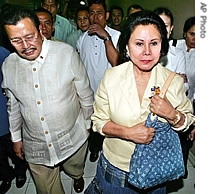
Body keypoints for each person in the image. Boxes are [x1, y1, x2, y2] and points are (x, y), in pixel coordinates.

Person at [84, 10, 195, 193]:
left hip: (156, 172)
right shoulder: (112, 77)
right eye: (138, 44)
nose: (147, 52)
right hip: (117, 172)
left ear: (162, 46)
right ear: (127, 46)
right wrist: (128, 133)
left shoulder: (173, 81)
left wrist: (172, 115)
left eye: (154, 43)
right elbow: (98, 122)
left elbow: (188, 121)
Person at [1, 5, 93, 194]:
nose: (25, 46)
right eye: (16, 41)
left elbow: (85, 93)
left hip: (72, 134)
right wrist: (16, 138)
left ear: (40, 30)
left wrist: (87, 123)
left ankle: (77, 176)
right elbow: (14, 106)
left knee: (74, 166)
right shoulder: (9, 65)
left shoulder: (66, 53)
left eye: (29, 37)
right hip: (36, 143)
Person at [77, 0, 121, 163]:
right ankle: (95, 149)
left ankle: (109, 151)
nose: (95, 17)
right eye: (92, 13)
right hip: (89, 93)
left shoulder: (117, 36)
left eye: (99, 13)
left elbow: (118, 63)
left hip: (111, 93)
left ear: (107, 16)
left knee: (111, 124)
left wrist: (106, 37)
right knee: (94, 124)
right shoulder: (82, 38)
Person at [169, 16, 195, 179]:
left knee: (186, 139)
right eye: (192, 34)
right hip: (170, 103)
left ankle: (182, 167)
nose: (195, 39)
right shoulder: (173, 47)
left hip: (190, 102)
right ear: (184, 33)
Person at [0, 46, 27, 194]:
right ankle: (6, 175)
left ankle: (21, 171)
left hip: (3, 112)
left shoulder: (2, 53)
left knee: (12, 146)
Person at [153, 7, 189, 92]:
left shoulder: (178, 54)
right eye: (158, 25)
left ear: (171, 28)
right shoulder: (144, 51)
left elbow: (185, 87)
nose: (161, 29)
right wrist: (174, 79)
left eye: (165, 26)